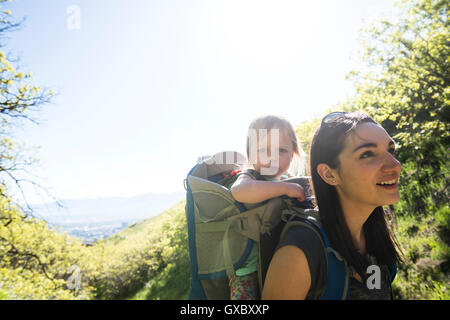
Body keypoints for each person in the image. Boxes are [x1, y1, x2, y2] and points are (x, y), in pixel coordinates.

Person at [262, 111, 404, 300]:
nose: (394, 165)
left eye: (390, 150)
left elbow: (377, 292)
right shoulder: (301, 252)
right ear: (329, 174)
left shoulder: (374, 239)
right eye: (367, 154)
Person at [228, 114, 308, 300]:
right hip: (248, 266)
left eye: (281, 150)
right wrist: (285, 189)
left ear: (294, 153)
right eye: (264, 150)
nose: (273, 158)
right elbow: (239, 191)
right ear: (250, 153)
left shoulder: (288, 180)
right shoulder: (251, 176)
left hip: (278, 257)